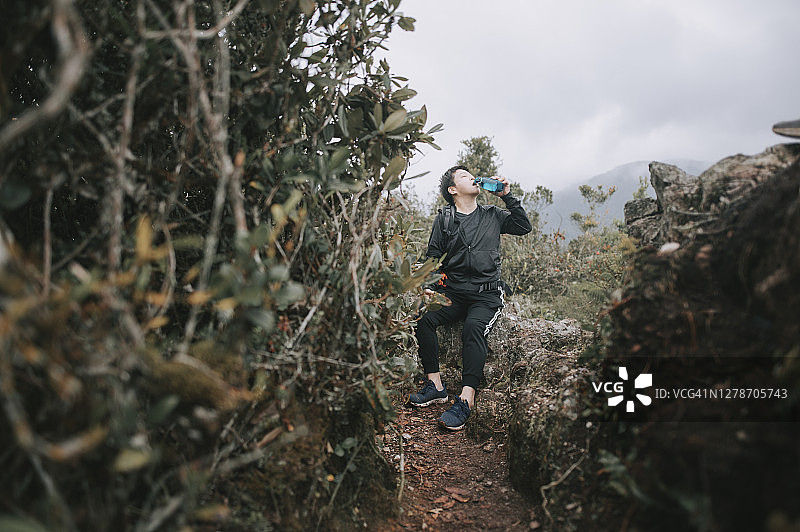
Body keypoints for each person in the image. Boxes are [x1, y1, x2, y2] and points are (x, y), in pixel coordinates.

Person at [408, 165, 532, 430]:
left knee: (473, 327)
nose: (473, 177)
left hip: (486, 294)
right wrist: (428, 286)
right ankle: (436, 385)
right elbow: (432, 257)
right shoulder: (444, 219)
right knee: (424, 315)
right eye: (464, 176)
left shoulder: (492, 214)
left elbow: (523, 226)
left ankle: (466, 398)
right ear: (453, 190)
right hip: (453, 292)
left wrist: (507, 196)